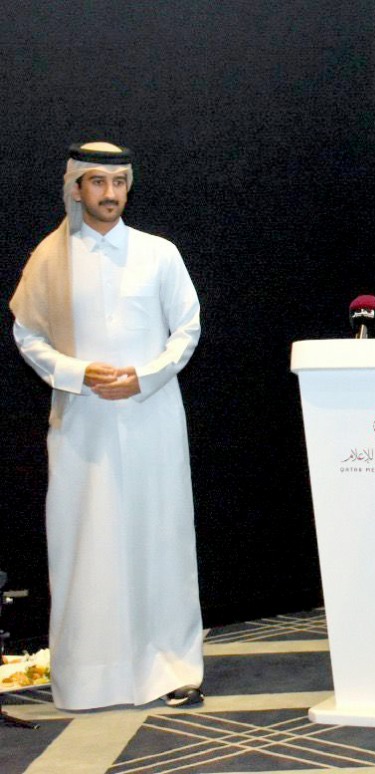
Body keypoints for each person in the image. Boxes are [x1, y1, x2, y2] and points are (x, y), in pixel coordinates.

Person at [10, 142, 204, 711]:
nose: (110, 194)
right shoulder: (50, 259)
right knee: (85, 548)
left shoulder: (159, 253)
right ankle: (90, 677)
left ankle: (173, 669)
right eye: (98, 183)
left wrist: (145, 376)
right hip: (82, 426)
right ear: (76, 188)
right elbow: (27, 335)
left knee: (161, 542)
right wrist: (76, 372)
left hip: (153, 419)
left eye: (119, 182)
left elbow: (187, 329)